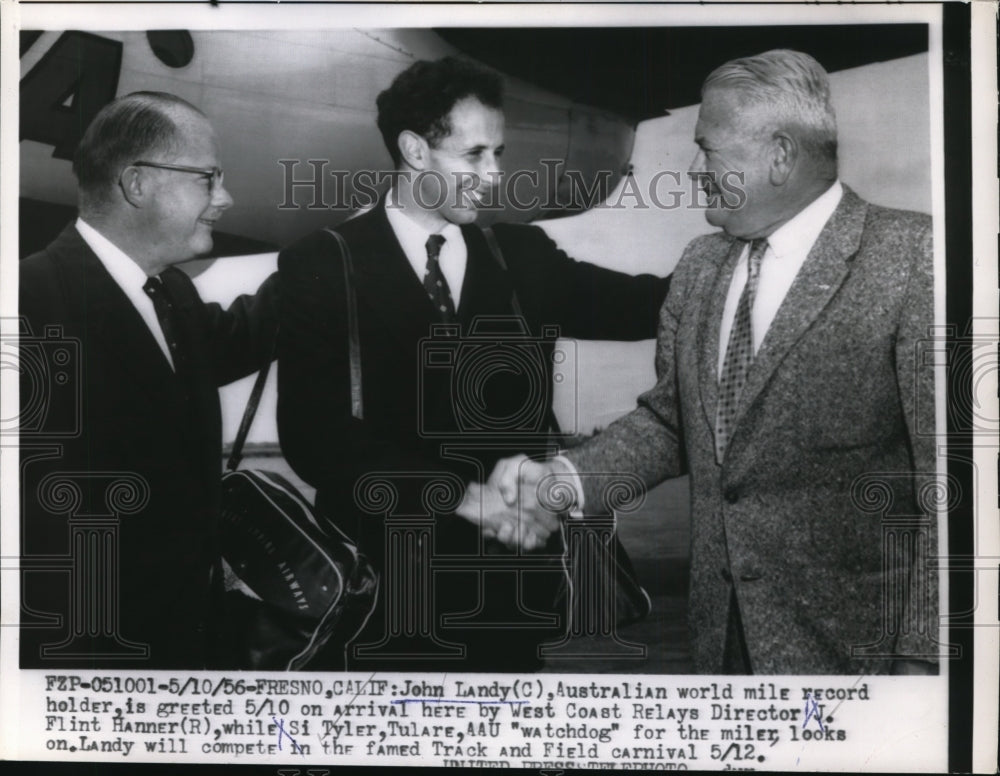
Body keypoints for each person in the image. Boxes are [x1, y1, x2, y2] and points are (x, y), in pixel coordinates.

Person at [491, 49, 938, 675]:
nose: (693, 170)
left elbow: (955, 485)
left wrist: (922, 655)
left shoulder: (916, 260)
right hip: (719, 649)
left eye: (710, 149)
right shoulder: (701, 268)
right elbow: (672, 423)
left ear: (780, 155)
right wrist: (564, 479)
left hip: (858, 660)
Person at [277, 56, 670, 671]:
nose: (493, 176)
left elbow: (650, 304)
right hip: (384, 602)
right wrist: (462, 497)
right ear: (414, 150)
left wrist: (745, 254)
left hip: (509, 601)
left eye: (498, 153)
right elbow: (315, 439)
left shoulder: (523, 256)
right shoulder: (324, 265)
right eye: (474, 155)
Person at [19, 92, 278, 669]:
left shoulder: (171, 296)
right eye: (208, 179)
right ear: (137, 183)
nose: (226, 199)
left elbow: (245, 334)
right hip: (85, 662)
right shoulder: (27, 306)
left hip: (182, 645)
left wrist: (346, 247)